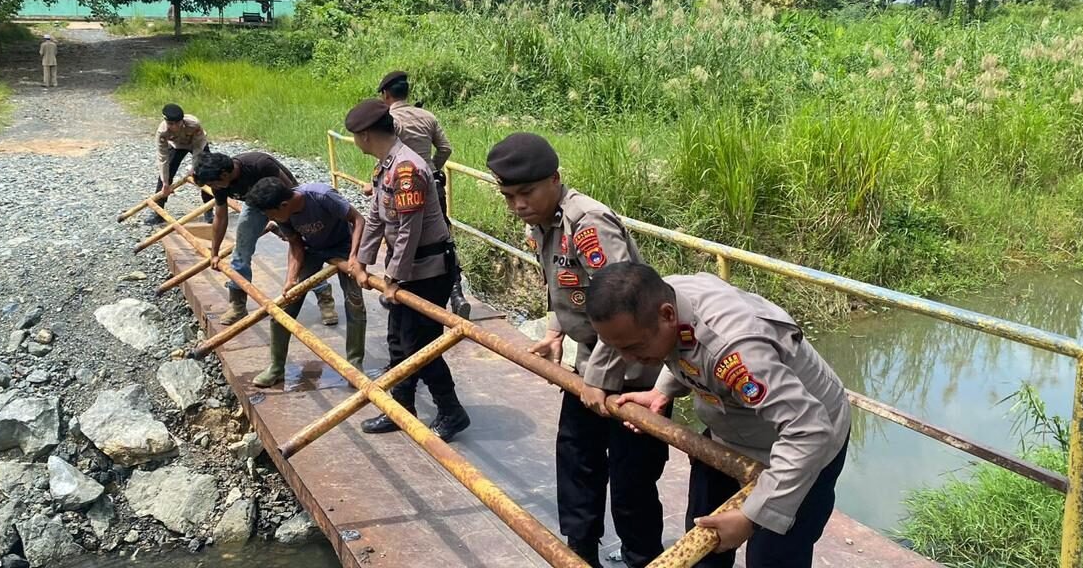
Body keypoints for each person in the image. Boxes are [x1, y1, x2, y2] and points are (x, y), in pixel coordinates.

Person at [586, 263, 852, 568]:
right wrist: (662, 390)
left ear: (668, 315)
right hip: (733, 430)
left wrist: (751, 517)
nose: (628, 360)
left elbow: (809, 430)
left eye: (634, 348)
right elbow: (688, 351)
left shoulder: (735, 350)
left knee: (773, 556)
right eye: (618, 349)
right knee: (703, 541)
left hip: (806, 438)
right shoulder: (659, 297)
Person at [485, 133, 667, 568]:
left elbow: (621, 307)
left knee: (631, 479)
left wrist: (597, 383)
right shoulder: (544, 223)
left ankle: (644, 558)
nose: (518, 206)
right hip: (590, 361)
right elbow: (563, 286)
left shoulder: (588, 224)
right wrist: (555, 333)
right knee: (576, 460)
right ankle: (579, 550)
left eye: (526, 193)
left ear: (555, 179)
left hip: (631, 367)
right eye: (509, 197)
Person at [344, 99, 471, 442]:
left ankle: (451, 411)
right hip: (410, 269)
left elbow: (408, 230)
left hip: (427, 271)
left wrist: (393, 278)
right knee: (398, 341)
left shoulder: (407, 169)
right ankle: (400, 408)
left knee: (420, 343)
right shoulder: (386, 165)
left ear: (365, 136)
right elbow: (375, 218)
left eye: (355, 137)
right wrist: (362, 259)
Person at [191, 151, 338, 327]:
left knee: (304, 250)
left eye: (213, 183)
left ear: (224, 174)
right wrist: (214, 253)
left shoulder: (260, 164)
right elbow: (220, 216)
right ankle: (237, 304)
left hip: (283, 202)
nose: (213, 187)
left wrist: (291, 226)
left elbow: (291, 195)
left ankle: (324, 298)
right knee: (241, 247)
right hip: (255, 205)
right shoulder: (219, 183)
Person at [246, 178, 368, 387]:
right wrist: (291, 279)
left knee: (355, 304)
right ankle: (276, 367)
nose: (271, 218)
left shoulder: (321, 196)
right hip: (313, 250)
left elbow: (358, 220)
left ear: (283, 205)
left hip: (344, 248)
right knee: (283, 308)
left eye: (271, 214)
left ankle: (355, 364)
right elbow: (295, 244)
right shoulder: (283, 214)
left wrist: (355, 258)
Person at [377, 70, 469, 318]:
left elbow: (387, 157)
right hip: (433, 186)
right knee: (441, 239)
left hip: (401, 187)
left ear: (386, 94)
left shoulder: (389, 120)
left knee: (400, 233)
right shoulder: (427, 116)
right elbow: (445, 148)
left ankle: (396, 286)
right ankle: (456, 292)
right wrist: (431, 169)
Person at [149, 103, 214, 225]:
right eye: (170, 124)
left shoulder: (194, 124)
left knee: (206, 172)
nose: (173, 127)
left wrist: (194, 167)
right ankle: (158, 212)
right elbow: (162, 158)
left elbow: (199, 147)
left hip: (196, 145)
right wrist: (165, 182)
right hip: (177, 146)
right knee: (165, 176)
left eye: (176, 123)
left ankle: (209, 210)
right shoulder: (162, 132)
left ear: (182, 121)